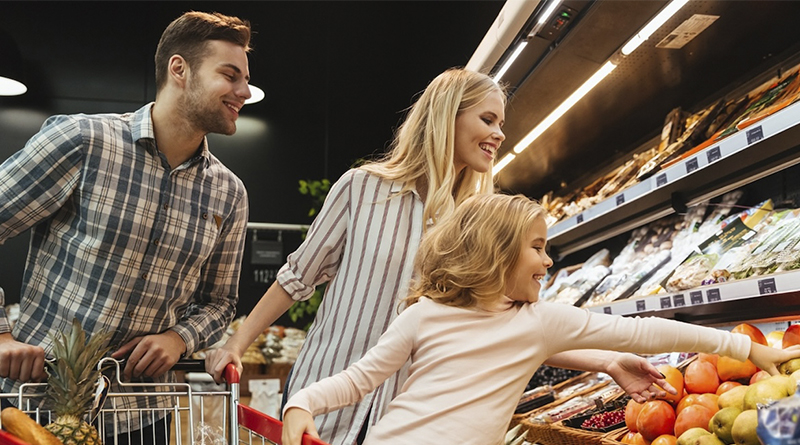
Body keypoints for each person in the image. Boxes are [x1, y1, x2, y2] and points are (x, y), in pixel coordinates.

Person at [205, 68, 676, 445]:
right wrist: (237, 342)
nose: (498, 135)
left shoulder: (474, 222)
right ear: (448, 117)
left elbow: (514, 327)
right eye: (487, 120)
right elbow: (297, 276)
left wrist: (608, 362)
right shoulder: (363, 188)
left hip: (407, 414)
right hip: (327, 394)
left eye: (501, 125)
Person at [280, 193, 800, 445]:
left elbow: (644, 332)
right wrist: (303, 402)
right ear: (494, 255)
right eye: (537, 247)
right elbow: (359, 379)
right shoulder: (424, 316)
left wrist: (749, 349)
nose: (549, 261)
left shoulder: (539, 322)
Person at [0, 11, 252, 444]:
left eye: (245, 79)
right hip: (35, 407)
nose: (244, 92)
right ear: (179, 69)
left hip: (142, 419)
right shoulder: (83, 141)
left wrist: (178, 337)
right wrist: (1, 334)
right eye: (230, 76)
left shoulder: (229, 193)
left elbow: (220, 302)